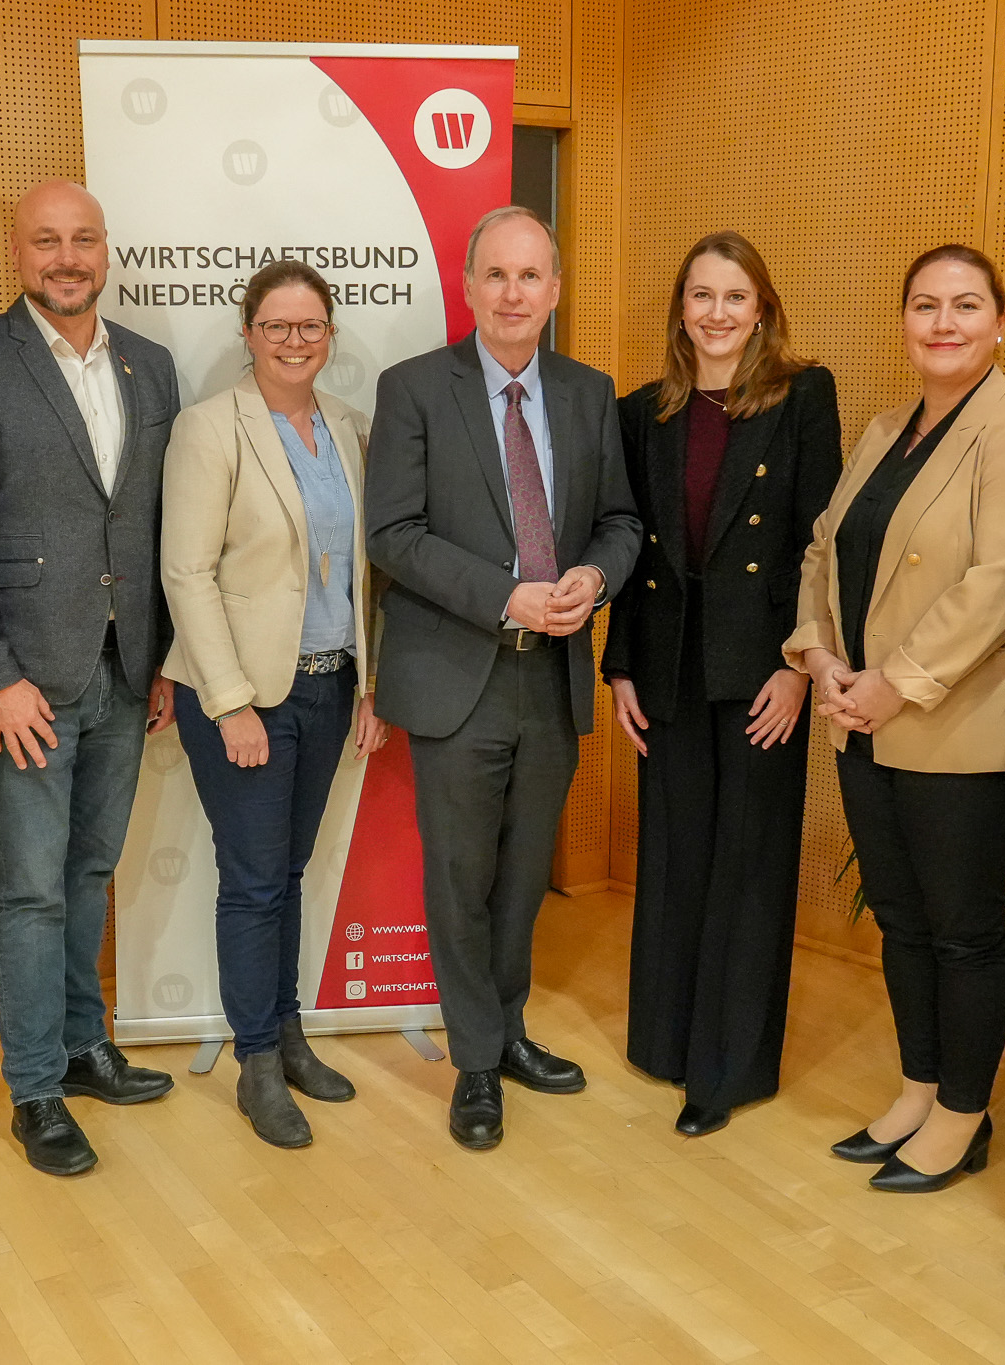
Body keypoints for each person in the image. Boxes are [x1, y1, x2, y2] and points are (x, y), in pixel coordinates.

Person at [0, 180, 179, 1179]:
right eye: (45, 241)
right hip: (24, 681)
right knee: (28, 892)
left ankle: (82, 1046)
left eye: (82, 240)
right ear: (17, 252)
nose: (66, 257)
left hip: (123, 669)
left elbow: (153, 527)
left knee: (89, 873)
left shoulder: (149, 367)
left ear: (105, 250)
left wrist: (158, 661)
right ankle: (34, 1089)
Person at [366, 205, 642, 1150]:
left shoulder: (587, 391)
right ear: (470, 286)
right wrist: (508, 596)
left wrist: (594, 577)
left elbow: (621, 520)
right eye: (497, 275)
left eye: (532, 277)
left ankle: (508, 1025)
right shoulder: (413, 389)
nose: (515, 293)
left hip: (553, 675)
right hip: (458, 672)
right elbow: (393, 535)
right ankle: (476, 1062)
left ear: (555, 290)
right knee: (459, 873)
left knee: (525, 875)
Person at [788, 245, 1005, 1194]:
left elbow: (1002, 584)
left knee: (961, 928)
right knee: (900, 921)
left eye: (966, 305)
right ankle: (919, 1085)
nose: (943, 323)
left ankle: (963, 1112)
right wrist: (818, 652)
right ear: (904, 319)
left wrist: (892, 683)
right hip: (859, 715)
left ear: (1000, 321)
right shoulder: (883, 426)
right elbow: (825, 546)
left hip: (958, 731)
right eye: (924, 305)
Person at [603, 231, 842, 1137]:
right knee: (674, 855)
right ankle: (665, 1042)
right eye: (700, 295)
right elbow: (631, 545)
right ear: (681, 309)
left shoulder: (803, 395)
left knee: (746, 863)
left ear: (763, 309)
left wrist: (799, 664)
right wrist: (620, 665)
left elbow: (816, 546)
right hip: (667, 663)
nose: (715, 313)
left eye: (734, 297)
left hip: (760, 666)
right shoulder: (644, 411)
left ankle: (726, 1069)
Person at [160, 261, 390, 1148]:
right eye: (278, 326)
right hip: (244, 697)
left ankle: (289, 1034)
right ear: (248, 332)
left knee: (288, 874)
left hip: (330, 686)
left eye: (311, 326)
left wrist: (370, 686)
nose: (296, 341)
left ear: (330, 334)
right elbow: (186, 572)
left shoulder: (352, 428)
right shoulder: (208, 429)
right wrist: (229, 704)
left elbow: (366, 571)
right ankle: (257, 1059)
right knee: (254, 881)